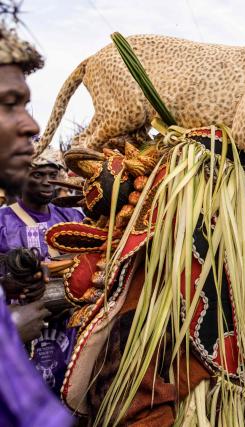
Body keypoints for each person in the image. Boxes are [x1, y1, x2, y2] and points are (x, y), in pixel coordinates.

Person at [0, 12, 73, 426]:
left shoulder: (72, 216)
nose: (32, 125)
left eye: (27, 104)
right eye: (11, 104)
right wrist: (11, 330)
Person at [0, 148, 84, 393]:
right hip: (21, 328)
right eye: (38, 175)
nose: (48, 181)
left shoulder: (73, 217)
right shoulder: (3, 221)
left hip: (69, 328)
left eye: (52, 173)